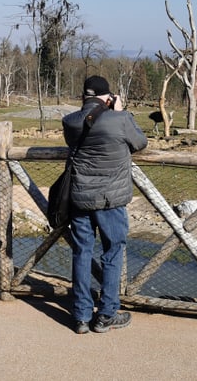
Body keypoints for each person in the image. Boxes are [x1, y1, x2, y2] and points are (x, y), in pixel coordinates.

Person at [62, 75, 148, 334]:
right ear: (107, 96)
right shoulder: (120, 119)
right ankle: (107, 315)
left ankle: (81, 317)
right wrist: (120, 111)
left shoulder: (71, 122)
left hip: (79, 199)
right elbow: (140, 142)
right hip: (111, 200)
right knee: (112, 252)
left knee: (82, 252)